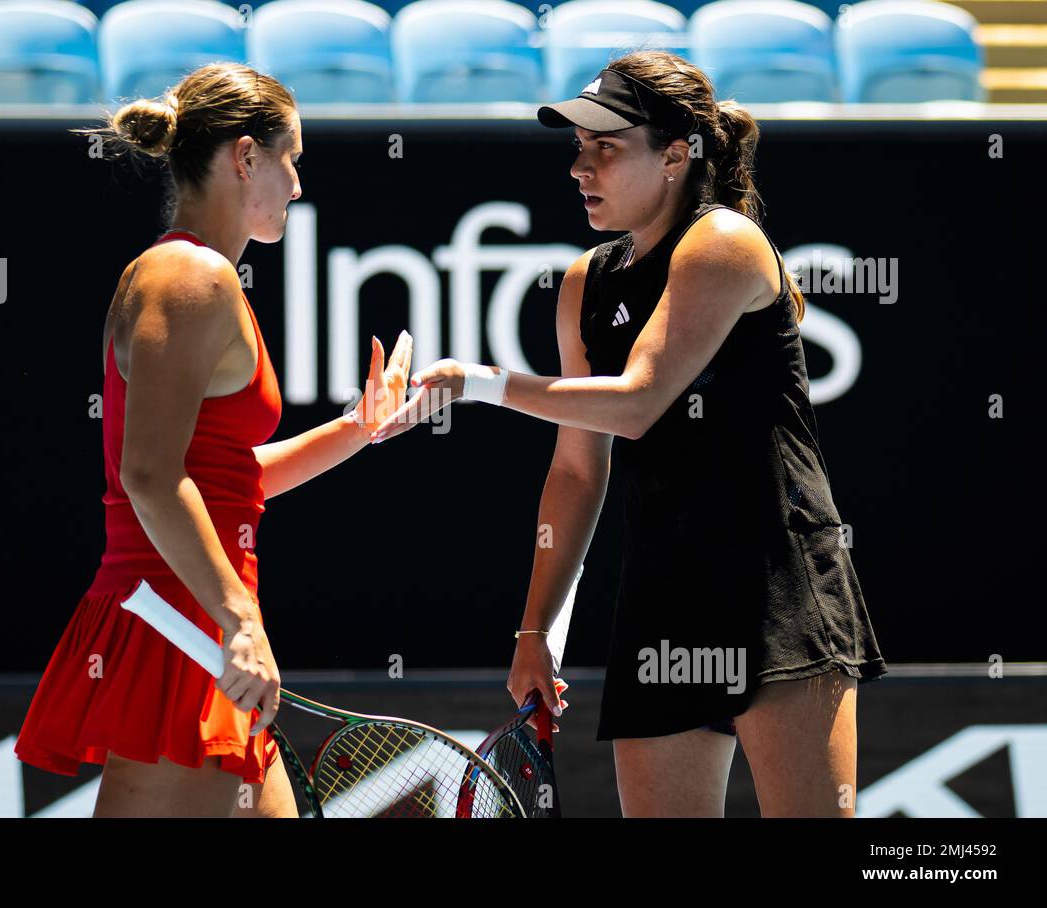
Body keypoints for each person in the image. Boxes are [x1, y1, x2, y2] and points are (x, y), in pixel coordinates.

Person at [372, 51, 887, 817]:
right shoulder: (585, 283)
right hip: (664, 601)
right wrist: (535, 629)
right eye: (579, 147)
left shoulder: (725, 242)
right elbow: (578, 470)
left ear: (675, 155)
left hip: (777, 587)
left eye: (606, 148)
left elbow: (639, 401)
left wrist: (477, 383)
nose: (580, 167)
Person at [14, 63, 412, 818]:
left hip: (195, 619)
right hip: (180, 625)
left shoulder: (198, 275)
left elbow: (225, 475)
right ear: (246, 157)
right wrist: (239, 622)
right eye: (292, 159)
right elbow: (150, 476)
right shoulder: (192, 278)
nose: (298, 184)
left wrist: (357, 429)